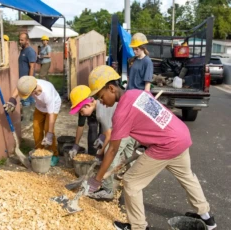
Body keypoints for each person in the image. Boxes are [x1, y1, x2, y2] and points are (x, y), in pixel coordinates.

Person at [86, 65, 217, 230]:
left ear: (111, 88)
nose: (101, 102)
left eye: (101, 96)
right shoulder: (137, 92)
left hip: (166, 145)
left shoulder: (121, 113)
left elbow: (112, 150)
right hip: (181, 135)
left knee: (131, 182)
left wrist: (97, 180)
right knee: (187, 177)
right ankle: (206, 217)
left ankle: (138, 227)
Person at [69, 85, 136, 201]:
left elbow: (110, 135)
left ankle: (107, 189)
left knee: (108, 154)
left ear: (88, 104)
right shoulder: (100, 105)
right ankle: (135, 179)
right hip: (132, 128)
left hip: (124, 130)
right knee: (130, 154)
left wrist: (100, 154)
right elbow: (108, 129)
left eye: (82, 110)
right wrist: (102, 137)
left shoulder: (101, 111)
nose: (82, 114)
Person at [4, 76, 61, 166]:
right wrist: (12, 100)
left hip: (53, 107)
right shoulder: (29, 83)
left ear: (33, 91)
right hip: (40, 107)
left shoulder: (47, 94)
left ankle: (54, 154)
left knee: (47, 129)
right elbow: (19, 88)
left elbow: (51, 115)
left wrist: (49, 133)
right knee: (36, 128)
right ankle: (39, 151)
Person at [68, 86, 100, 156]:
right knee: (93, 127)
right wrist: (76, 145)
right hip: (91, 112)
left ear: (87, 104)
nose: (81, 114)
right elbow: (80, 126)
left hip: (107, 120)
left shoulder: (102, 103)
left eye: (81, 111)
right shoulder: (83, 108)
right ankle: (92, 155)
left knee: (102, 136)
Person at [18, 33, 37, 108]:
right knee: (30, 100)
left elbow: (32, 67)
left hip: (27, 82)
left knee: (25, 100)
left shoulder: (30, 51)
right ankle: (32, 117)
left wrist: (29, 81)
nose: (20, 41)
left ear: (27, 41)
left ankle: (28, 117)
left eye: (22, 40)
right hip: (23, 81)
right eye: (19, 39)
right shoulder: (23, 50)